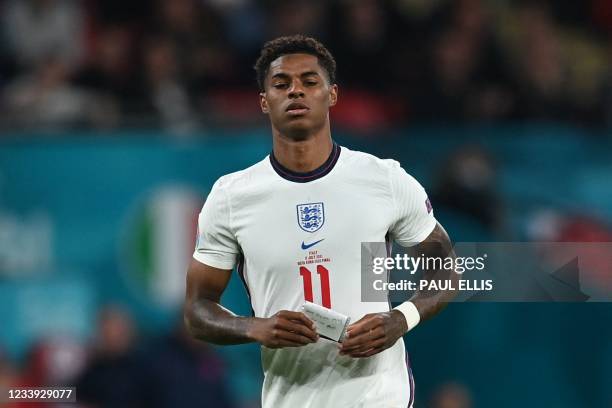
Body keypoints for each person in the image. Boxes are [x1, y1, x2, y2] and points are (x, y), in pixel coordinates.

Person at [184, 35, 456, 408]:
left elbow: (445, 268)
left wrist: (400, 319)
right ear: (264, 102)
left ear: (332, 95)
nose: (296, 91)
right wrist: (254, 326)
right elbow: (198, 310)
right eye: (282, 84)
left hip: (380, 395)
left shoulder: (384, 179)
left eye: (309, 81)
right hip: (291, 397)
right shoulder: (231, 197)